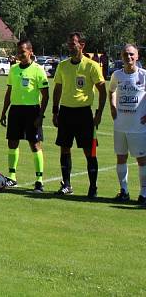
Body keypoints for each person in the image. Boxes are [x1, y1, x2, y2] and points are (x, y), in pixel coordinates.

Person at [52, 32, 106, 197]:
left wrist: (98, 113)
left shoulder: (92, 66)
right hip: (66, 112)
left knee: (90, 151)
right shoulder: (63, 65)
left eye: (73, 43)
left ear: (82, 45)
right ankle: (67, 184)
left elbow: (102, 91)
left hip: (84, 113)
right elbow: (58, 89)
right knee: (64, 149)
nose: (70, 46)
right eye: (68, 43)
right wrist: (55, 111)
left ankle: (93, 187)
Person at [0, 39, 49, 192]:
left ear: (30, 51)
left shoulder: (38, 70)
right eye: (18, 52)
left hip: (32, 111)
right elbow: (9, 92)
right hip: (15, 111)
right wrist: (4, 111)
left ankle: (39, 180)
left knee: (34, 144)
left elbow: (45, 96)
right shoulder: (13, 69)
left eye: (23, 52)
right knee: (12, 143)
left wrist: (40, 115)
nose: (20, 54)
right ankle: (12, 177)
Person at [107, 44, 146, 206]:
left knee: (142, 160)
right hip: (120, 125)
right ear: (121, 57)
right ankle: (124, 190)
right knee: (121, 158)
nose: (128, 57)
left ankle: (144, 192)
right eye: (125, 55)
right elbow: (111, 91)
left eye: (131, 54)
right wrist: (113, 107)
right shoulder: (117, 75)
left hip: (139, 127)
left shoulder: (144, 75)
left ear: (137, 56)